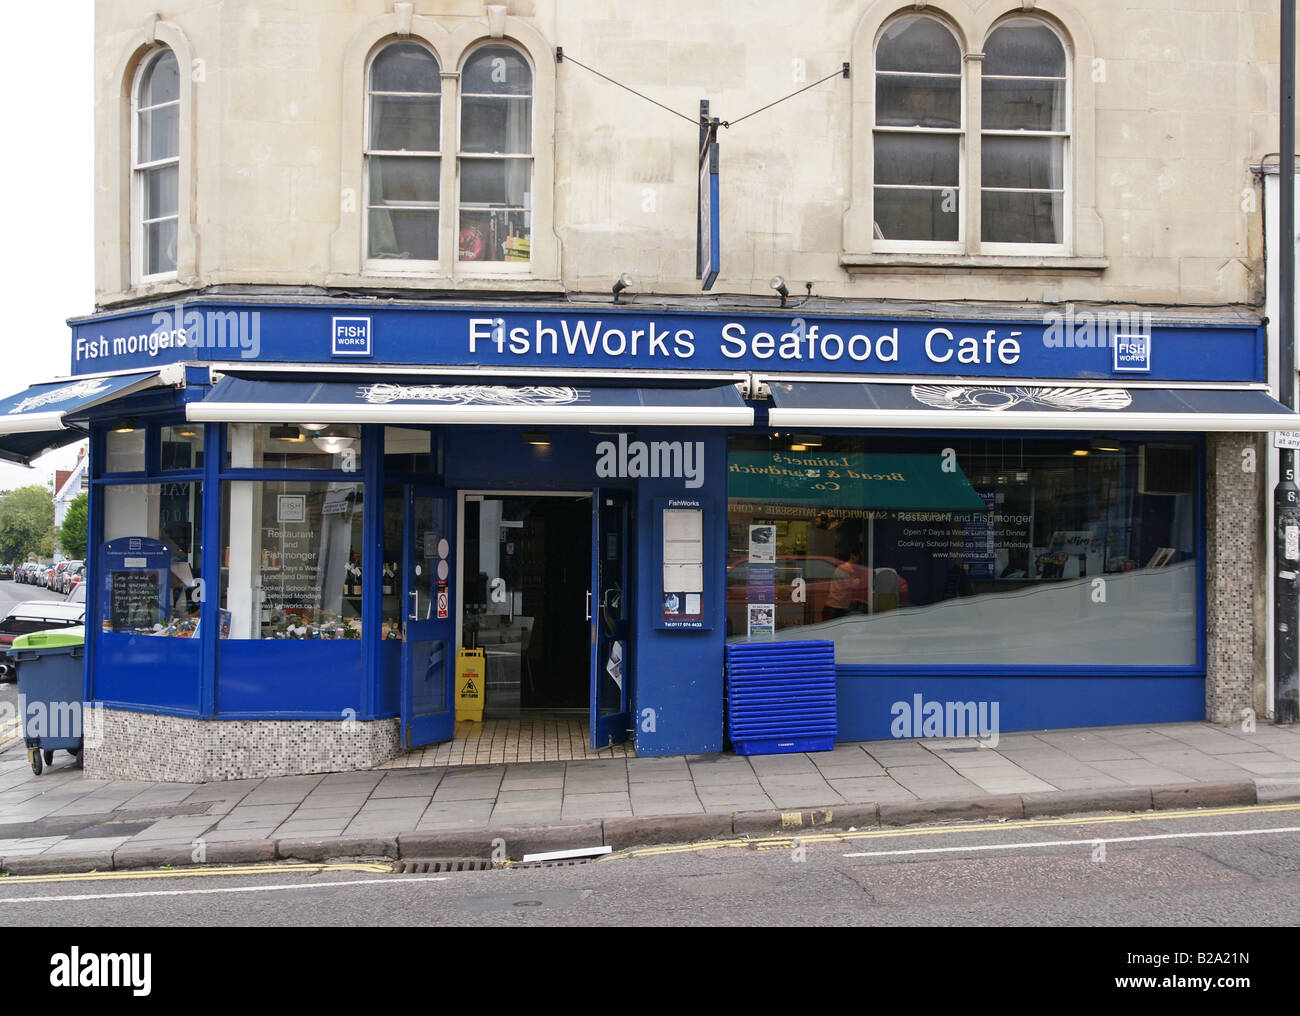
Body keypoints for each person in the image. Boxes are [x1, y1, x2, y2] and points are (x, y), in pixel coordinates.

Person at [823, 548, 867, 621]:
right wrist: (862, 579)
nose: (859, 561)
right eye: (859, 557)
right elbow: (852, 584)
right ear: (853, 556)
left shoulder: (846, 569)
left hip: (837, 606)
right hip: (835, 608)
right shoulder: (845, 569)